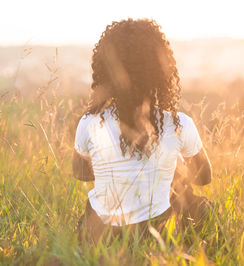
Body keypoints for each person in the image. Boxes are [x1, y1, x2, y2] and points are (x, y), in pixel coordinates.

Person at [72, 18, 212, 244]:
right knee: (198, 204)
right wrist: (173, 166)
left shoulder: (89, 122)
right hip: (154, 233)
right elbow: (204, 177)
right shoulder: (179, 125)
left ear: (106, 70)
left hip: (100, 233)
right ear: (159, 70)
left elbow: (81, 173)